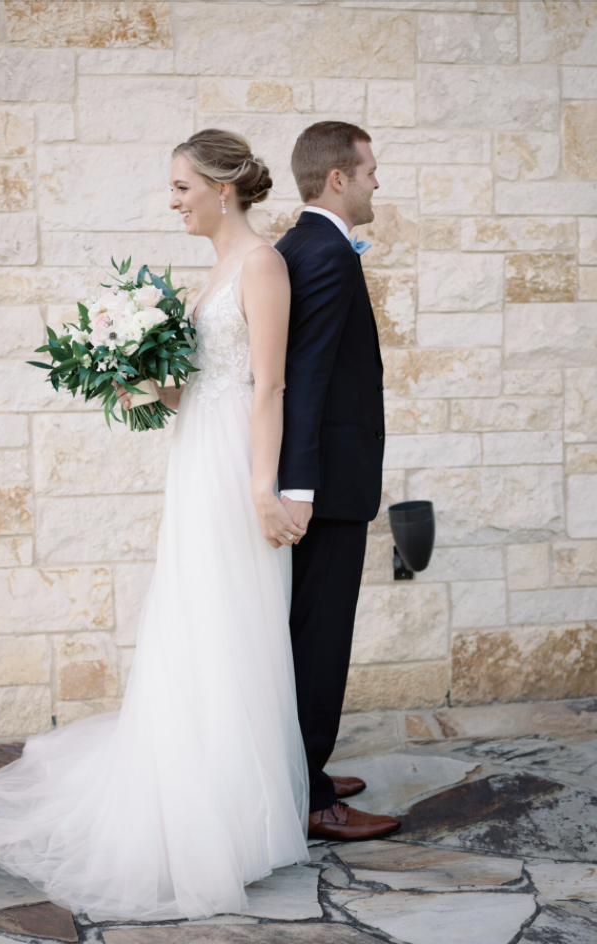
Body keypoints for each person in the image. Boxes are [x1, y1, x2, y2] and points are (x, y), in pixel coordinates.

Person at [0, 129, 311, 921]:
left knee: (232, 624)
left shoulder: (261, 265)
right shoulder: (211, 273)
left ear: (223, 189)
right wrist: (139, 380)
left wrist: (263, 489)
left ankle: (233, 823)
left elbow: (270, 387)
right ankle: (197, 810)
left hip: (232, 470)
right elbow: (203, 389)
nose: (173, 200)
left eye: (182, 186)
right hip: (195, 460)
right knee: (193, 622)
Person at [276, 121, 401, 841]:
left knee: (303, 637)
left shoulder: (302, 245)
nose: (378, 181)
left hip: (318, 481)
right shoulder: (325, 254)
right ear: (339, 179)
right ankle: (312, 797)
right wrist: (302, 488)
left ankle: (303, 770)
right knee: (320, 642)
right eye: (371, 170)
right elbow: (309, 378)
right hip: (322, 487)